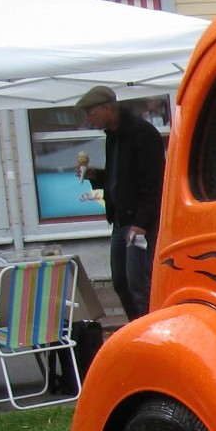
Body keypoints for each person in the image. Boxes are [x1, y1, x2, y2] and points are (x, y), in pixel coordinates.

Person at [78, 85, 165, 322]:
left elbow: (154, 183)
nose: (88, 119)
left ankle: (150, 330)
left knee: (139, 283)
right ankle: (136, 327)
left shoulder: (141, 134)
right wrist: (95, 175)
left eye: (90, 112)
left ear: (107, 107)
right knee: (120, 281)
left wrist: (142, 223)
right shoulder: (113, 137)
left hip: (137, 222)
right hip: (120, 220)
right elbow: (123, 178)